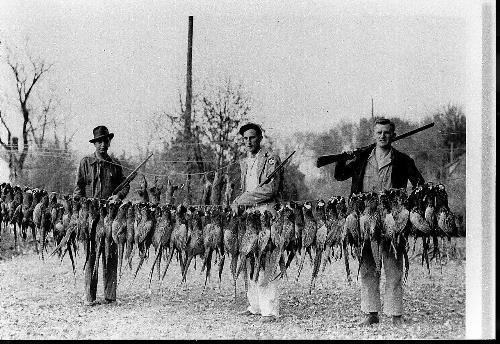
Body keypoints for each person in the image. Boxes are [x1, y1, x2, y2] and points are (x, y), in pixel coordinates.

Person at [334, 118, 424, 326]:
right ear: (373, 135)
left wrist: (406, 205)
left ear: (393, 135)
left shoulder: (402, 160)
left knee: (393, 266)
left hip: (392, 217)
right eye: (379, 132)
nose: (382, 136)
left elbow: (419, 184)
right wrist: (343, 157)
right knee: (367, 266)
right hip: (364, 216)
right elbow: (339, 175)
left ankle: (395, 315)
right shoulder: (362, 158)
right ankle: (370, 312)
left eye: (386, 132)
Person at [231, 122, 283, 323]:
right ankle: (254, 306)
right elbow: (245, 188)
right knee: (249, 259)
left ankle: (270, 311)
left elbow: (270, 190)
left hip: (267, 215)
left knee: (267, 260)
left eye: (252, 137)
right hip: (249, 217)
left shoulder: (271, 159)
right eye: (245, 139)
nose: (248, 141)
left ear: (260, 138)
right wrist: (240, 204)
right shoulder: (245, 162)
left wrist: (242, 200)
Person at [74, 125, 130, 306]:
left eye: (105, 141)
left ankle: (110, 296)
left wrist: (118, 196)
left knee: (110, 254)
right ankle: (90, 297)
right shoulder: (85, 163)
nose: (102, 145)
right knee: (91, 255)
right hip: (91, 216)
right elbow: (78, 189)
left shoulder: (115, 165)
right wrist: (82, 208)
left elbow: (125, 185)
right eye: (99, 141)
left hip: (110, 215)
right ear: (95, 143)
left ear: (109, 142)